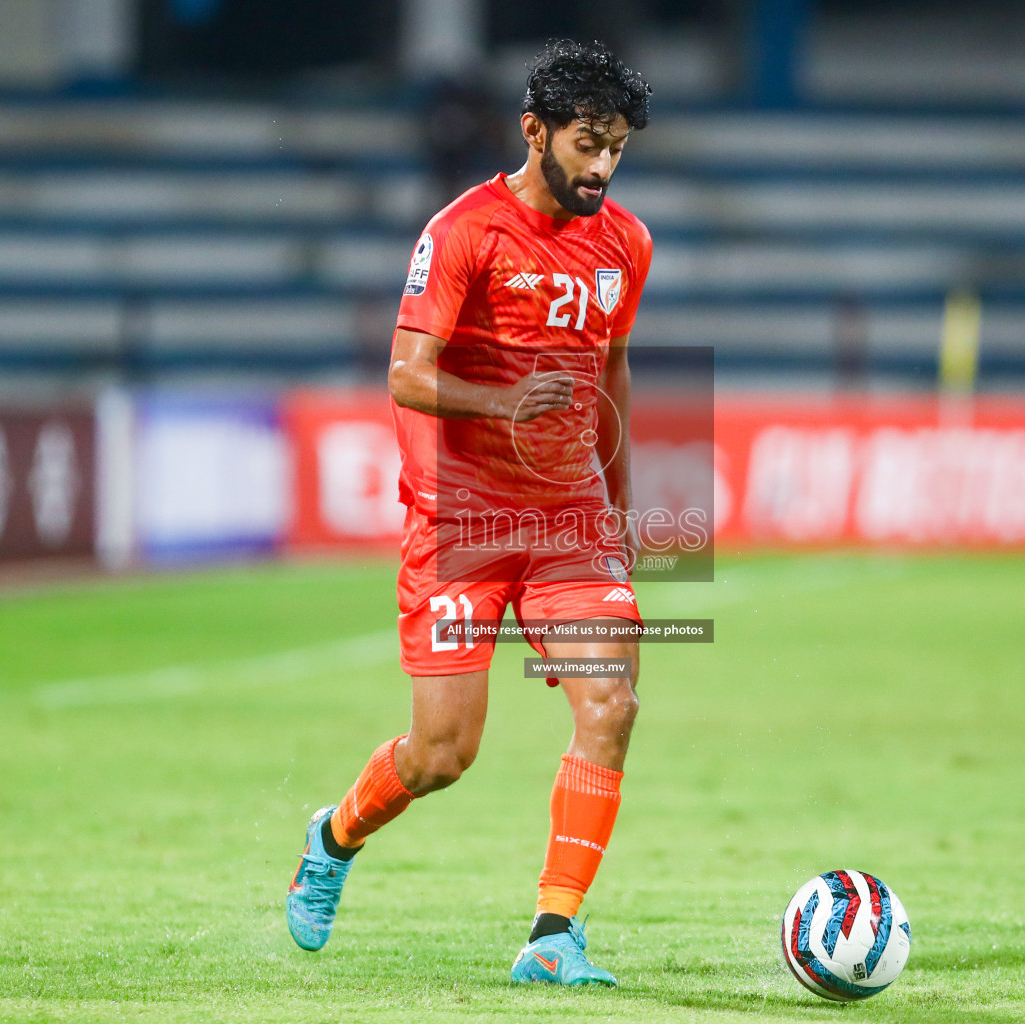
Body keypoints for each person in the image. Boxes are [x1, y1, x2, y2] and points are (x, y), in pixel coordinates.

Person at [286, 39, 653, 988]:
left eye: (616, 148)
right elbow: (406, 372)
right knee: (445, 754)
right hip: (462, 524)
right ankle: (333, 837)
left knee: (610, 705)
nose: (602, 167)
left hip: (568, 520)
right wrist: (501, 402)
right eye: (586, 145)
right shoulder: (462, 233)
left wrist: (621, 510)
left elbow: (613, 373)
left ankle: (553, 934)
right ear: (535, 132)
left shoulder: (627, 243)